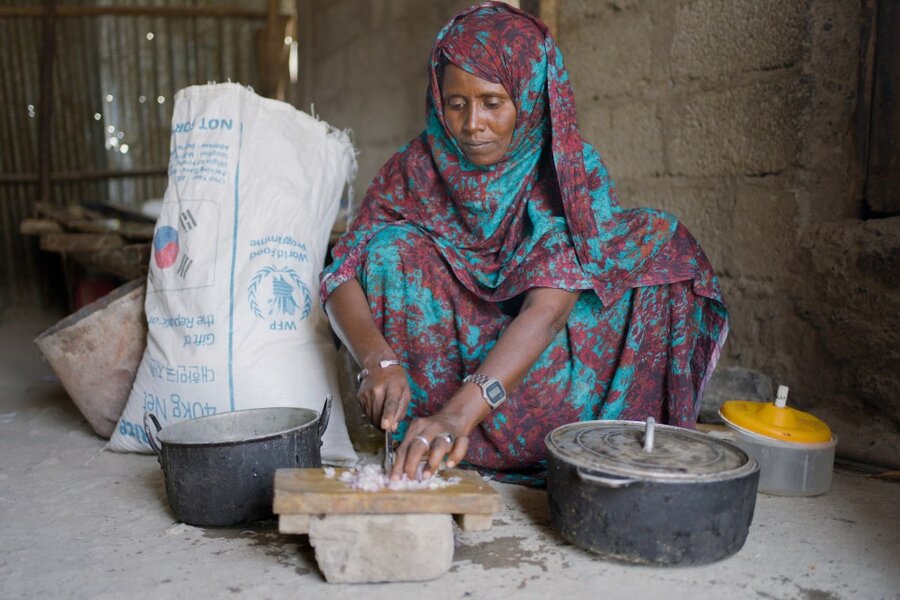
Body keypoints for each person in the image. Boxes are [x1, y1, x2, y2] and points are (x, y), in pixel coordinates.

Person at [320, 1, 728, 484]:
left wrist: (458, 416)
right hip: (440, 373)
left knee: (660, 245)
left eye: (493, 103)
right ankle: (427, 436)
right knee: (388, 248)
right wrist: (376, 361)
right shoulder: (415, 170)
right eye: (456, 104)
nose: (472, 124)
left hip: (542, 370)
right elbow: (341, 270)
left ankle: (568, 442)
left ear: (530, 98)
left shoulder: (566, 172)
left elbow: (548, 311)